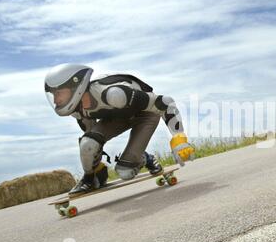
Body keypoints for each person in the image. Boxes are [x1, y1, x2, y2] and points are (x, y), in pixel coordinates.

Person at [45, 64, 195, 196]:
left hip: (146, 114)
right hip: (117, 116)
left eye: (58, 93)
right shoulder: (78, 110)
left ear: (75, 87)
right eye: (53, 94)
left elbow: (166, 103)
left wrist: (179, 139)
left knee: (126, 172)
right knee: (87, 144)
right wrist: (95, 169)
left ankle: (144, 158)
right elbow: (91, 139)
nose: (55, 99)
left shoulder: (114, 94)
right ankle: (89, 180)